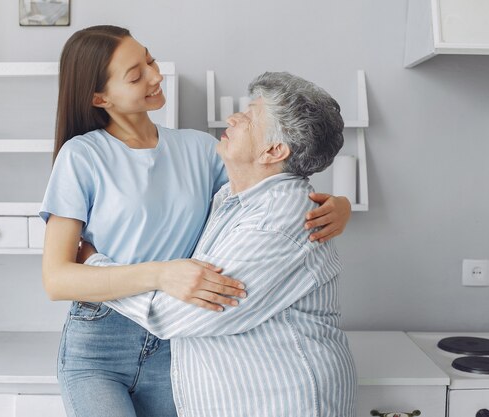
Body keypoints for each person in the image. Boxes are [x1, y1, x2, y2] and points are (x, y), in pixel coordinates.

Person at [40, 25, 352, 417]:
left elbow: (269, 188)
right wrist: (160, 274)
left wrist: (340, 205)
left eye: (150, 60)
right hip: (100, 339)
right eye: (136, 75)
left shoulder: (201, 149)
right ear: (100, 97)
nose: (155, 76)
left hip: (181, 340)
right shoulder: (81, 156)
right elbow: (57, 280)